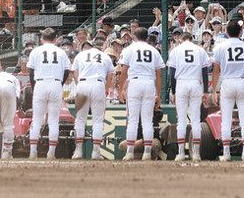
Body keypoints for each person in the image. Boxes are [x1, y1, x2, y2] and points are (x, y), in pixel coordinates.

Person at [212, 19, 244, 161]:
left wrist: (214, 90)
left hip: (227, 82)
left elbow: (216, 70)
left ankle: (226, 153)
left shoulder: (220, 47)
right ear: (241, 32)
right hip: (243, 82)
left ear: (226, 31)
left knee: (226, 120)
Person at [118, 26, 164, 160]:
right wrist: (159, 94)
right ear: (147, 37)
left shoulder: (129, 49)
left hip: (135, 82)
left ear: (134, 36)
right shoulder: (154, 50)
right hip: (149, 83)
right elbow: (159, 74)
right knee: (147, 120)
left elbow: (124, 70)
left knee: (132, 119)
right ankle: (147, 153)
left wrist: (121, 89)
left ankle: (130, 152)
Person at [26, 27, 70, 159]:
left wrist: (34, 88)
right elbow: (67, 71)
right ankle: (51, 152)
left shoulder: (36, 51)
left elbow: (31, 72)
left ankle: (33, 151)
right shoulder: (61, 52)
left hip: (40, 83)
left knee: (37, 119)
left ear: (41, 39)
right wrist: (59, 84)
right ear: (55, 39)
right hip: (56, 83)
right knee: (53, 121)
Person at [167, 27, 210, 161]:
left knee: (181, 120)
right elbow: (204, 72)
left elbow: (171, 74)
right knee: (196, 119)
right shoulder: (200, 50)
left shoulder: (176, 50)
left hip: (181, 83)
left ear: (181, 39)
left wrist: (173, 92)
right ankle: (196, 153)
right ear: (192, 39)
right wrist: (205, 91)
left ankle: (180, 153)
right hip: (196, 83)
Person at [71, 38, 115, 159]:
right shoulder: (105, 56)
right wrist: (106, 88)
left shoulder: (81, 54)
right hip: (98, 84)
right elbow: (111, 73)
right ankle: (95, 152)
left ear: (90, 45)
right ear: (102, 47)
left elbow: (74, 71)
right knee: (98, 120)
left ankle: (78, 150)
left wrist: (78, 83)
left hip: (83, 83)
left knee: (80, 119)